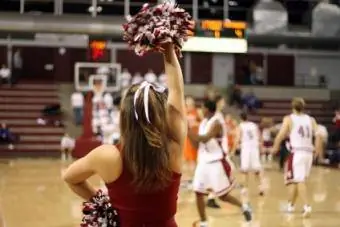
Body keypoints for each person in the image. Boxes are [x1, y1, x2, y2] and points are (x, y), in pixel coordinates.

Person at [63, 43, 186, 227]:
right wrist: (168, 49)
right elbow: (177, 91)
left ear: (123, 116)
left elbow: (70, 178)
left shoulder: (107, 156)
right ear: (161, 115)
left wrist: (103, 204)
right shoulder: (173, 147)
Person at [188, 100, 252, 227]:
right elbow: (196, 144)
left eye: (203, 107)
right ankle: (204, 222)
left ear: (208, 109)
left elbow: (205, 138)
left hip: (216, 162)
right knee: (198, 192)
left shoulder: (217, 123)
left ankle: (244, 207)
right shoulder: (203, 123)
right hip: (203, 162)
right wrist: (187, 133)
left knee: (223, 196)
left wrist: (188, 130)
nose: (201, 110)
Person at [272, 97, 322, 218]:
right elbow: (319, 136)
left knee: (299, 181)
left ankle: (307, 206)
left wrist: (275, 146)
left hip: (297, 153)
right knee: (297, 180)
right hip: (308, 153)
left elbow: (281, 134)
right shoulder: (311, 120)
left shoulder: (289, 119)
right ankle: (291, 205)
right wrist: (318, 151)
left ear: (293, 107)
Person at [233, 112, 265, 196]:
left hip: (246, 148)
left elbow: (237, 138)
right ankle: (261, 187)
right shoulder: (254, 125)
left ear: (240, 118)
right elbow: (260, 137)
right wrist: (261, 147)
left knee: (244, 170)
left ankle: (245, 189)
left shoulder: (240, 126)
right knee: (257, 169)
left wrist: (234, 149)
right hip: (254, 148)